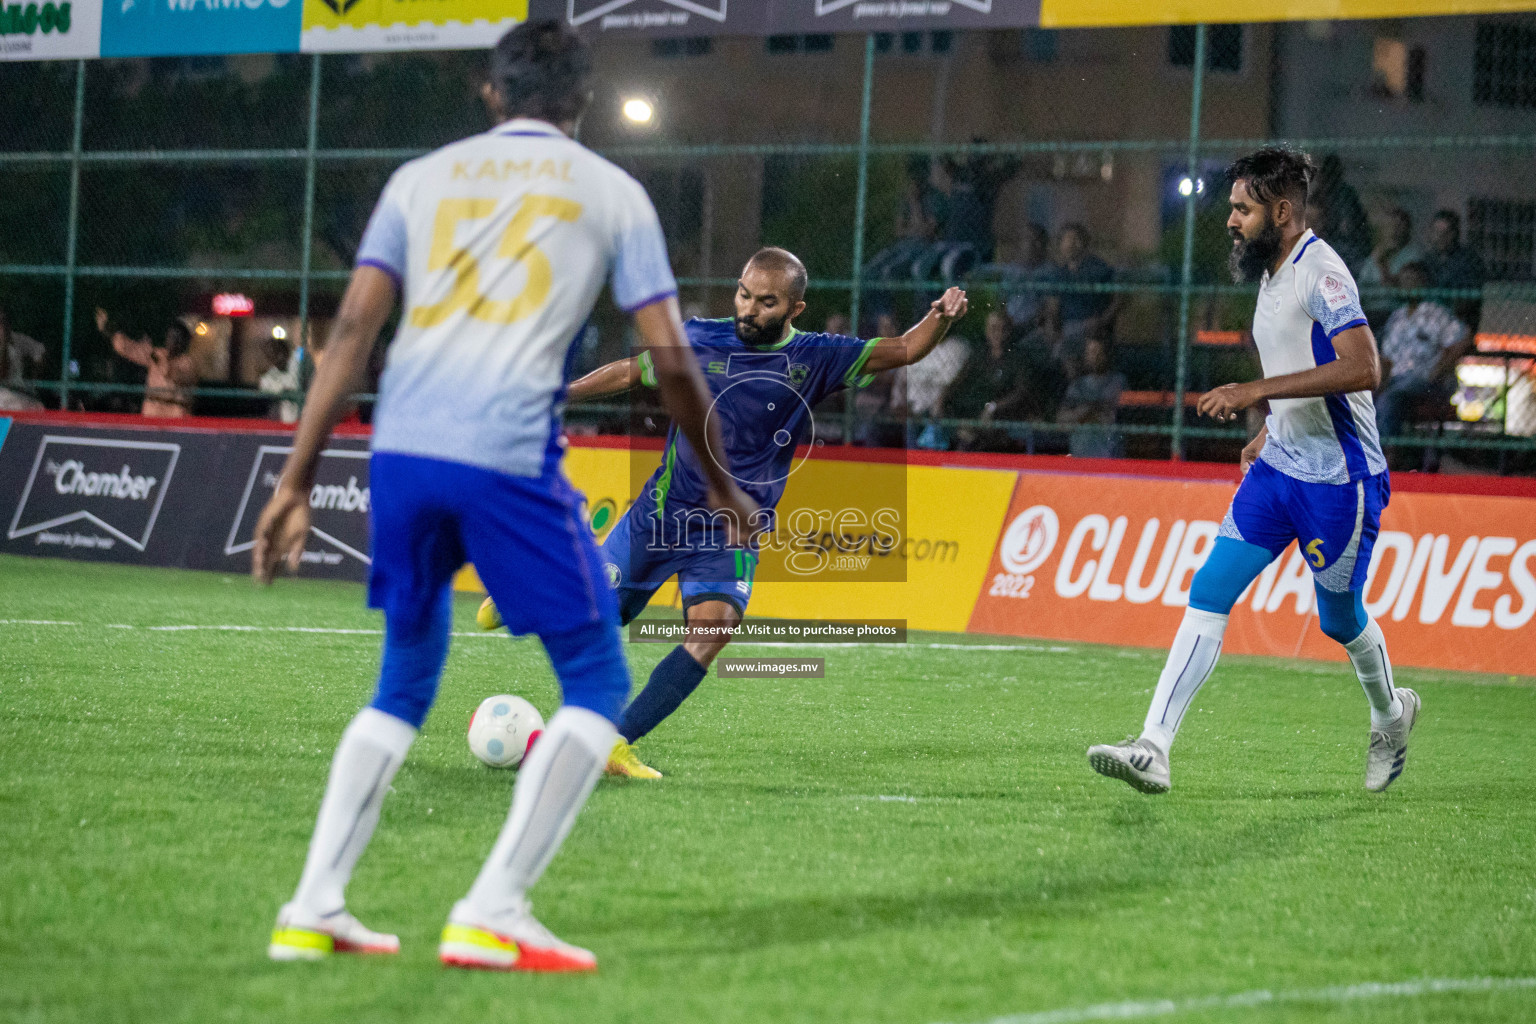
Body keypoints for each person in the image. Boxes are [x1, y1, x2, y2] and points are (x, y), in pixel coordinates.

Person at [252, 20, 754, 973]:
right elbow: (676, 363)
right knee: (600, 683)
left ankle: (312, 906)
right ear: (586, 102)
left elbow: (354, 329)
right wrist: (721, 481)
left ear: (492, 94)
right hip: (507, 453)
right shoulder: (612, 193)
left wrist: (295, 478)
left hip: (400, 450)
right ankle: (494, 907)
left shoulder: (420, 180)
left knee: (402, 679)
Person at [478, 248, 968, 778]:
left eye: (766, 302)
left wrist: (938, 319)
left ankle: (612, 741)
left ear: (794, 309)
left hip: (731, 531)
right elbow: (630, 371)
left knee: (713, 630)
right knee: (600, 613)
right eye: (743, 294)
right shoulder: (698, 337)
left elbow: (905, 349)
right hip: (662, 516)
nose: (749, 309)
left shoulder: (818, 357)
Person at [1087, 148, 1419, 797]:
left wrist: (1253, 393)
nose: (1232, 220)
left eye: (1243, 208)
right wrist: (1272, 428)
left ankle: (1390, 714)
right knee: (1210, 588)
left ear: (1283, 211)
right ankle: (1154, 746)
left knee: (1339, 619)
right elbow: (1310, 368)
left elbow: (1363, 369)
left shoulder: (1321, 274)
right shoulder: (1271, 273)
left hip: (1340, 482)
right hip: (1278, 471)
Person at [1374, 261, 1472, 442]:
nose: (1407, 285)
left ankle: (1389, 455)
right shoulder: (1398, 316)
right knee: (1363, 398)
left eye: (1412, 280)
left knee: (1390, 399)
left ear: (1423, 282)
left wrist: (1438, 369)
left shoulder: (1436, 313)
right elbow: (1386, 357)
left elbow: (1463, 338)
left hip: (1422, 380)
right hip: (1395, 379)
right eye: (1404, 281)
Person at [1038, 224, 1120, 374]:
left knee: (1073, 354)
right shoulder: (1059, 273)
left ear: (1084, 243)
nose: (1071, 244)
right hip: (1066, 327)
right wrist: (1052, 327)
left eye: (1075, 239)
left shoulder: (1099, 268)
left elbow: (1118, 299)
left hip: (1092, 327)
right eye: (1067, 240)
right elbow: (1052, 306)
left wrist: (1102, 321)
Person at [97, 308, 198, 417]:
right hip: (151, 413)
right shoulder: (157, 354)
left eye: (178, 338)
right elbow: (127, 348)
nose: (173, 341)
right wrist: (108, 330)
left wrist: (158, 360)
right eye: (171, 336)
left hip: (176, 416)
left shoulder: (189, 364)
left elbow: (173, 374)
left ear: (185, 342)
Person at [1056, 337, 1126, 458]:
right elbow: (1062, 420)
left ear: (1107, 354)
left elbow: (1110, 414)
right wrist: (1084, 412)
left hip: (1109, 458)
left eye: (1098, 352)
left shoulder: (1118, 381)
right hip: (1080, 457)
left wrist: (1084, 414)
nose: (1094, 357)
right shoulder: (1077, 385)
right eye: (1090, 352)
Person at [257, 334, 302, 423]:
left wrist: (284, 389)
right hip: (283, 417)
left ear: (286, 352)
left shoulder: (296, 363)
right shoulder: (270, 374)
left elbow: (294, 385)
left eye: (279, 352)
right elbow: (264, 387)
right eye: (271, 354)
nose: (278, 357)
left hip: (303, 414)